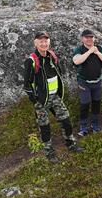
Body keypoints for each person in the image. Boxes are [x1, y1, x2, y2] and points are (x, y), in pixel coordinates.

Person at [23, 31, 82, 163]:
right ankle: (49, 152)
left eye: (46, 41)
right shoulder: (31, 61)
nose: (44, 44)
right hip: (41, 100)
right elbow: (27, 85)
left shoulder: (52, 56)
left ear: (49, 42)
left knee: (65, 119)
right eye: (41, 41)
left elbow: (58, 73)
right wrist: (35, 100)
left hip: (55, 96)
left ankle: (70, 143)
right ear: (35, 43)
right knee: (45, 127)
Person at [72, 29, 102, 136]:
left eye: (91, 37)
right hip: (83, 82)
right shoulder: (79, 49)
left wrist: (97, 52)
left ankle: (95, 124)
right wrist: (89, 51)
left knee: (96, 103)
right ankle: (83, 126)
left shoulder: (100, 48)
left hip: (97, 81)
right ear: (82, 38)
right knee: (85, 103)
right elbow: (76, 61)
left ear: (94, 38)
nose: (89, 39)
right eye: (87, 37)